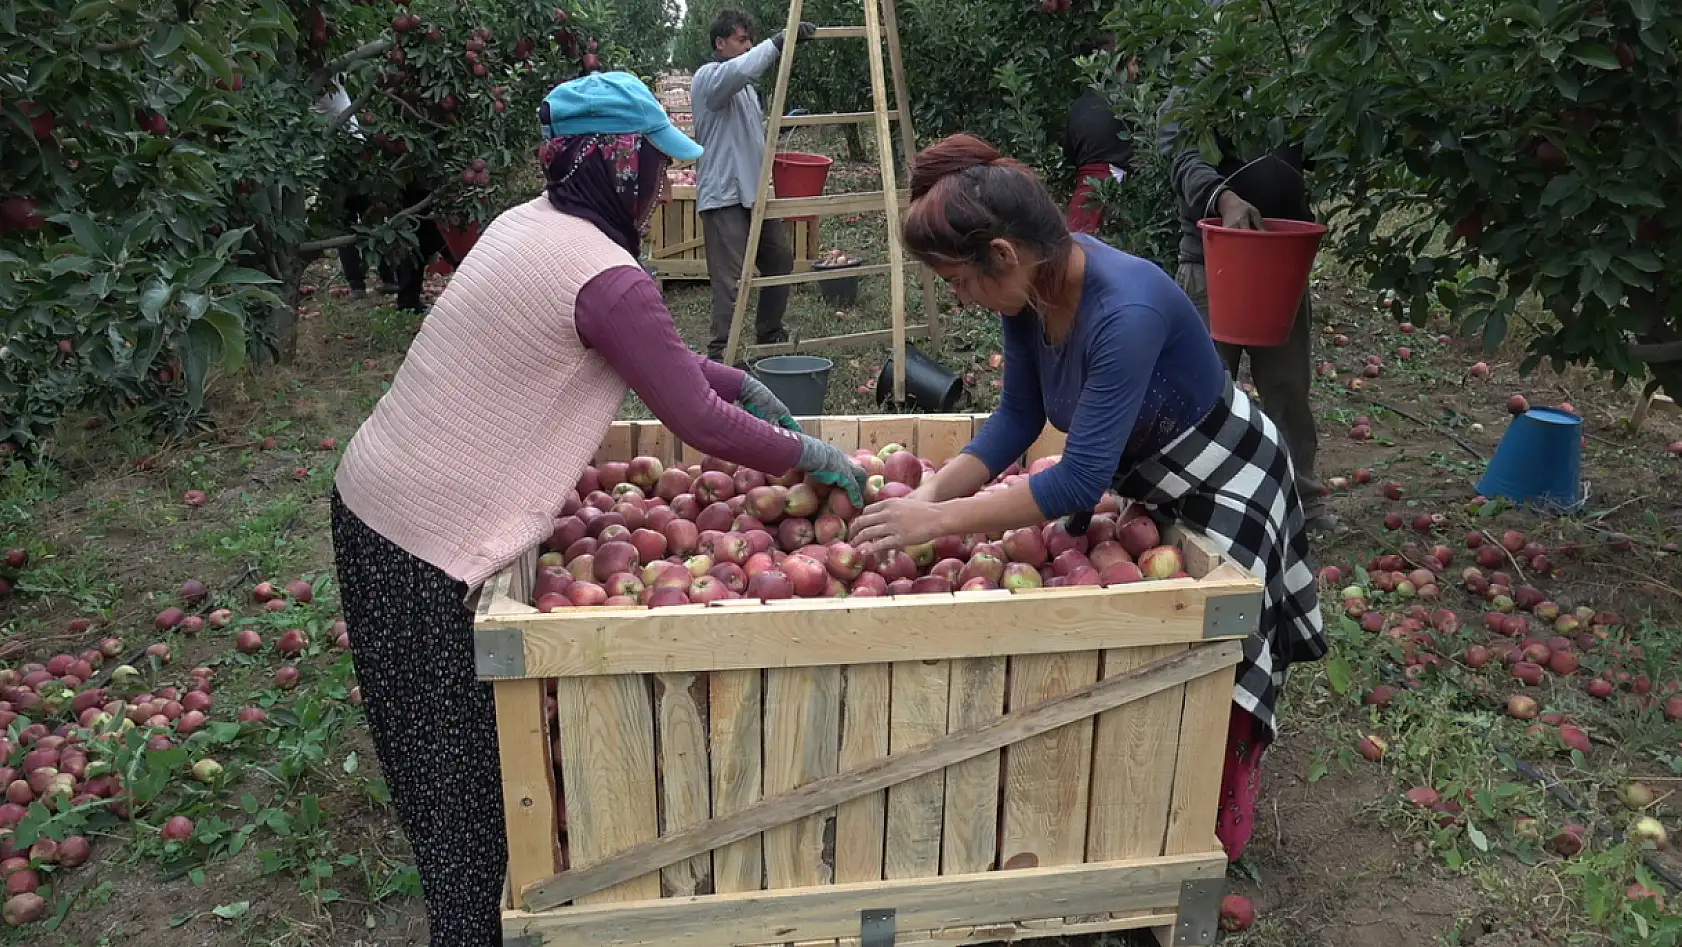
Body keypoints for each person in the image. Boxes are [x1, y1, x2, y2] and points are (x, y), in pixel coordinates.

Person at [330, 71, 866, 946]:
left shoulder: (528, 223)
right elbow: (689, 415)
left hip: (374, 507)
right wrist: (807, 453)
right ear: (619, 165)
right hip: (425, 542)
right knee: (463, 786)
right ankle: (470, 930)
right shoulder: (601, 272)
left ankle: (465, 913)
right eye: (656, 167)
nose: (661, 190)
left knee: (436, 763)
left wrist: (746, 383)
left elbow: (664, 361)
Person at [850, 134, 1325, 865]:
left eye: (958, 281)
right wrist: (930, 491)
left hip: (1227, 477)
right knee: (1156, 652)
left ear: (1002, 255)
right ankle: (1135, 801)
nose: (959, 296)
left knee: (1215, 662)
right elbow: (1016, 418)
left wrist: (938, 520)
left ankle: (1205, 833)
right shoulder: (1030, 293)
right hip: (1150, 479)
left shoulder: (1123, 310)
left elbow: (1074, 480)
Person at [1158, 1, 1334, 533]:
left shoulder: (1290, 79)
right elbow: (1182, 158)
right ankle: (1188, 494)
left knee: (1288, 388)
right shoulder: (1198, 82)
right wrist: (1225, 199)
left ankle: (1298, 498)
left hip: (1280, 263)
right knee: (1202, 385)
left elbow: (1320, 148)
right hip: (1216, 263)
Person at [691, 9, 816, 361]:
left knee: (779, 263)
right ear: (720, 42)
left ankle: (769, 338)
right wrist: (779, 41)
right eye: (741, 39)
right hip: (724, 196)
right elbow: (743, 68)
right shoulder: (708, 77)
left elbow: (750, 133)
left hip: (755, 195)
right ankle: (721, 356)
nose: (747, 46)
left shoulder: (745, 90)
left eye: (749, 40)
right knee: (729, 284)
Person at [1062, 34, 1139, 235]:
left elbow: (1069, 155)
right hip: (1113, 188)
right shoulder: (1128, 103)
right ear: (1117, 67)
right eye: (1133, 64)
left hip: (1084, 191)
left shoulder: (1077, 107)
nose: (1137, 71)